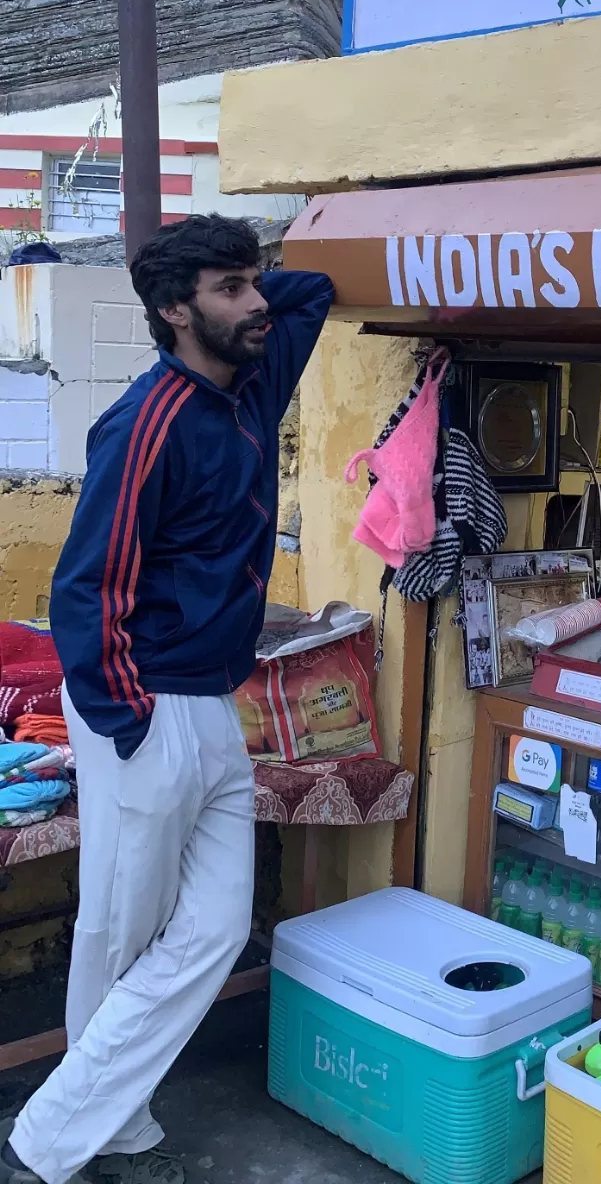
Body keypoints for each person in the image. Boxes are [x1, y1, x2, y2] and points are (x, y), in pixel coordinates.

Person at [0, 217, 334, 1184]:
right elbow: (85, 586)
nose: (260, 303)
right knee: (121, 923)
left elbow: (307, 295)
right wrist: (125, 722)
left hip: (212, 707)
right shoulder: (147, 421)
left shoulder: (251, 390)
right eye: (232, 289)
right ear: (173, 310)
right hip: (145, 704)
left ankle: (57, 1130)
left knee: (216, 926)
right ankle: (100, 1132)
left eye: (253, 281)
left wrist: (257, 263)